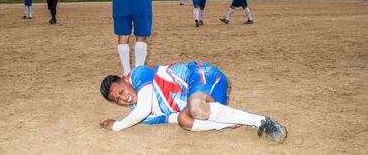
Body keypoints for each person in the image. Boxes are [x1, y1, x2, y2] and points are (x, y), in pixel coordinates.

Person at [99, 61, 287, 143]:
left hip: (203, 76)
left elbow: (143, 108)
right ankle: (234, 120)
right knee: (183, 120)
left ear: (125, 79)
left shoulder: (138, 74)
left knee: (195, 108)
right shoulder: (141, 114)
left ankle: (261, 121)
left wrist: (117, 125)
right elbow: (170, 118)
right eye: (117, 100)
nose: (123, 98)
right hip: (207, 104)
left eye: (121, 91)